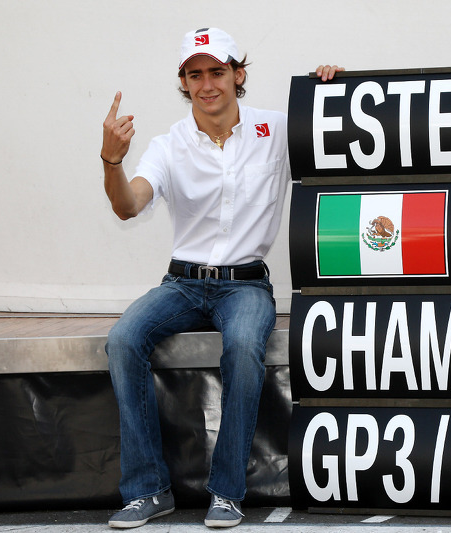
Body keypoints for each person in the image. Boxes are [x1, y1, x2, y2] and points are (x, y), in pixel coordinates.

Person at [101, 27, 342, 529]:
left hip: (246, 284)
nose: (207, 83)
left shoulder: (275, 128)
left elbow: (334, 132)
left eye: (217, 71)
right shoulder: (169, 144)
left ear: (238, 74)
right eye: (195, 74)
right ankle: (148, 490)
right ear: (184, 83)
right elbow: (128, 206)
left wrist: (332, 88)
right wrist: (112, 159)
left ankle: (227, 492)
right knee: (124, 338)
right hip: (182, 284)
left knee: (242, 348)